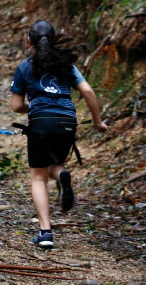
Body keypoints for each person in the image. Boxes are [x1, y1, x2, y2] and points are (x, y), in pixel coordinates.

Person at [10, 20, 109, 249]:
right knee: (55, 164)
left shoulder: (24, 67)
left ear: (29, 41)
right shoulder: (67, 65)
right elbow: (87, 91)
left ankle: (45, 232)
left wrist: (35, 105)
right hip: (67, 121)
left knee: (38, 176)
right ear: (54, 39)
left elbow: (16, 106)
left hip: (41, 123)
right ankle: (62, 174)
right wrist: (97, 121)